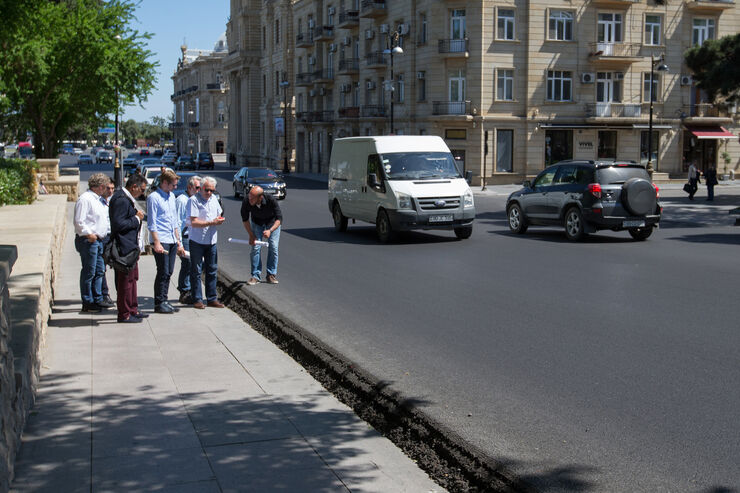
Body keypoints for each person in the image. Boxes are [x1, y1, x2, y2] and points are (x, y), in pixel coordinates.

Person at [109, 174, 148, 323]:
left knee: (132, 279)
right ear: (134, 187)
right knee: (125, 282)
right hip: (123, 248)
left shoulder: (125, 199)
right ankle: (124, 313)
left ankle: (132, 309)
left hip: (131, 247)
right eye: (142, 190)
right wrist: (137, 218)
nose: (143, 193)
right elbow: (119, 224)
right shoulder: (121, 200)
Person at [146, 169, 185, 314]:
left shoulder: (171, 197)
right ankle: (159, 302)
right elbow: (152, 222)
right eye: (173, 185)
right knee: (162, 271)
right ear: (164, 183)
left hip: (172, 239)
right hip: (161, 239)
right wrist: (156, 242)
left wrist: (178, 241)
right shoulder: (154, 198)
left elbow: (175, 221)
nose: (175, 188)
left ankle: (165, 299)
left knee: (169, 272)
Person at [73, 173, 110, 312]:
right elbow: (79, 221)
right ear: (100, 187)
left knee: (99, 270)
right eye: (105, 187)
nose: (106, 190)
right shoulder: (85, 199)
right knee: (89, 271)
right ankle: (88, 301)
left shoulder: (97, 199)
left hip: (99, 240)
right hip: (89, 241)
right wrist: (90, 234)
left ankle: (97, 298)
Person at [188, 176, 225, 309]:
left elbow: (218, 214)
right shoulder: (193, 201)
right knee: (196, 270)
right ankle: (197, 299)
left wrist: (219, 220)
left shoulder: (214, 199)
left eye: (212, 190)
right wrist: (212, 222)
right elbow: (194, 222)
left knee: (212, 270)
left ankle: (211, 298)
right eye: (206, 190)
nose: (209, 193)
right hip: (197, 240)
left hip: (211, 240)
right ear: (200, 188)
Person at [241, 186, 282, 285]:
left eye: (253, 197)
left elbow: (279, 219)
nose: (249, 198)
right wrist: (251, 235)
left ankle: (271, 275)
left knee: (273, 246)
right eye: (249, 196)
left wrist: (270, 230)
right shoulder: (247, 200)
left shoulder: (270, 200)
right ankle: (255, 276)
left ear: (260, 197)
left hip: (272, 223)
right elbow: (245, 220)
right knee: (255, 247)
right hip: (257, 223)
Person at [175, 175, 201, 304]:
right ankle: (185, 291)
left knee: (194, 265)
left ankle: (192, 290)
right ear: (189, 187)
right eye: (197, 188)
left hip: (194, 237)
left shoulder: (196, 199)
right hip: (185, 237)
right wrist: (178, 243)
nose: (199, 190)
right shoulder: (182, 200)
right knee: (187, 264)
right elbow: (178, 222)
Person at [98, 178, 116, 308]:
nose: (110, 191)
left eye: (112, 189)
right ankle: (104, 294)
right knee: (101, 268)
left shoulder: (113, 201)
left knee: (118, 266)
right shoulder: (97, 202)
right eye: (108, 188)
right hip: (103, 237)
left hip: (113, 236)